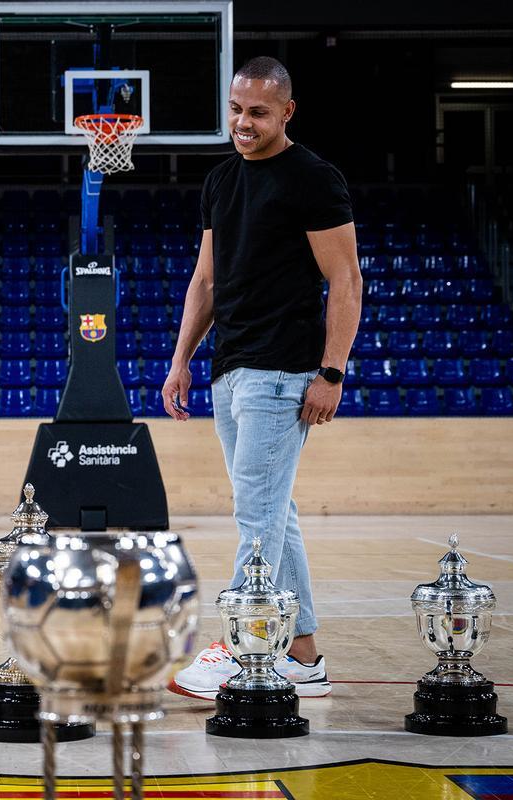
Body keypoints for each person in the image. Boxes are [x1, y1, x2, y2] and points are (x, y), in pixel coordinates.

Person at [163, 56, 362, 700]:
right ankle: (303, 658)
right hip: (230, 368)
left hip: (283, 371)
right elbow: (206, 281)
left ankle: (245, 643)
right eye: (236, 109)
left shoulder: (313, 178)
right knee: (277, 514)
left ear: (287, 112)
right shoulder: (221, 180)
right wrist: (181, 359)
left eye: (258, 112)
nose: (243, 124)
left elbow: (345, 281)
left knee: (256, 514)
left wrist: (331, 371)